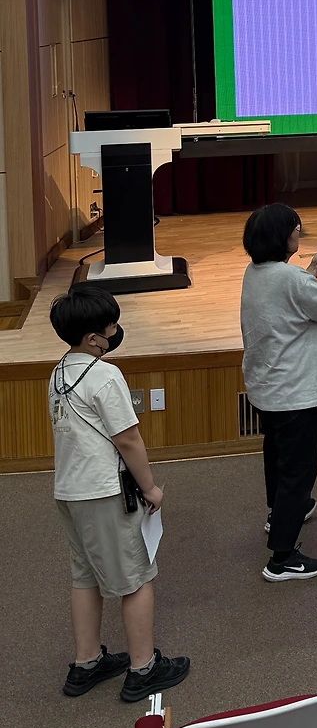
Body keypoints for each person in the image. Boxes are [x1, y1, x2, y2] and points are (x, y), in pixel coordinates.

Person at [47, 284, 191, 703]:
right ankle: (143, 669)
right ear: (95, 338)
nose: (116, 332)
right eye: (112, 327)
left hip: (70, 491)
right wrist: (150, 488)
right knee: (136, 578)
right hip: (105, 493)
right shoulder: (105, 375)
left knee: (85, 576)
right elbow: (127, 439)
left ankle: (87, 663)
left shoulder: (58, 373)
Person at [241, 203, 317, 583]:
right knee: (298, 470)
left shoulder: (257, 272)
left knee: (277, 456)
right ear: (282, 237)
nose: (299, 234)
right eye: (296, 229)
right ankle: (282, 558)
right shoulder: (291, 279)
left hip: (266, 388)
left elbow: (291, 297)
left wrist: (313, 270)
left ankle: (280, 513)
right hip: (295, 393)